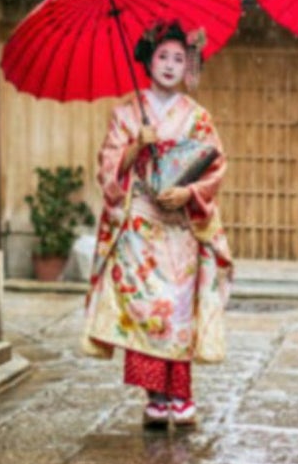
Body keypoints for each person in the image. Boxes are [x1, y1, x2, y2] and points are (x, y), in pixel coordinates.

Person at [81, 22, 232, 426]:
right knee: (147, 309)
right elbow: (108, 170)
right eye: (162, 56)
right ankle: (154, 395)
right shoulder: (126, 113)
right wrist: (135, 147)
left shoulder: (197, 117)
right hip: (140, 229)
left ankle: (180, 394)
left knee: (178, 310)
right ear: (147, 59)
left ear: (188, 67)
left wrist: (189, 194)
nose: (169, 65)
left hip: (179, 225)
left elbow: (215, 166)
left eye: (178, 58)